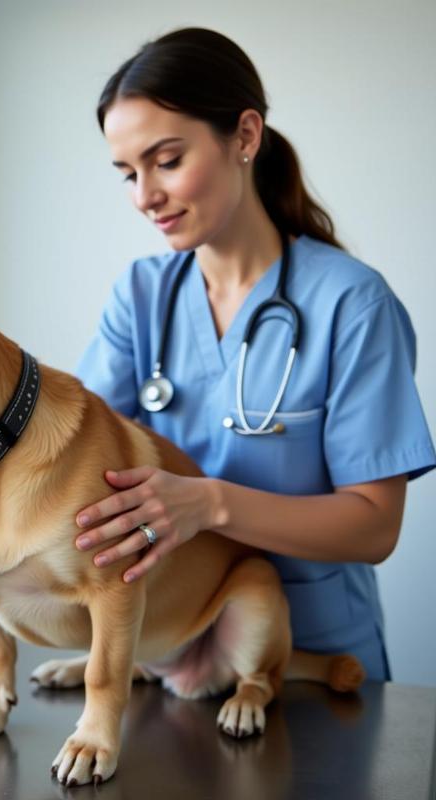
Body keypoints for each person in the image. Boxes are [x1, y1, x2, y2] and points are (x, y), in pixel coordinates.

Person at [73, 27, 435, 681]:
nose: (144, 195)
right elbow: (79, 444)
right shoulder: (141, 296)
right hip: (171, 652)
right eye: (128, 173)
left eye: (167, 160)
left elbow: (375, 529)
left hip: (315, 667)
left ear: (244, 136)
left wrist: (210, 503)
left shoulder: (352, 304)